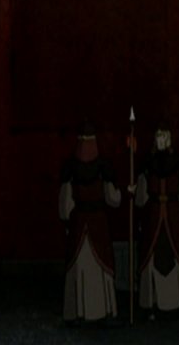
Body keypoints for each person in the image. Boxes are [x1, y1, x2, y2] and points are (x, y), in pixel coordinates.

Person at [129, 120, 179, 316]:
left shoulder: (178, 162)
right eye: (157, 136)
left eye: (163, 136)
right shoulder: (147, 163)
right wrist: (134, 193)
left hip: (172, 215)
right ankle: (150, 304)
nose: (160, 139)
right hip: (153, 215)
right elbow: (142, 198)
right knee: (151, 256)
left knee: (177, 253)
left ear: (168, 138)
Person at [58, 121, 122, 323]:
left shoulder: (98, 167)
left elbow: (65, 205)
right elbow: (113, 199)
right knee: (83, 265)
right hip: (87, 221)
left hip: (90, 221)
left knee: (94, 264)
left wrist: (66, 215)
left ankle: (88, 312)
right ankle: (88, 312)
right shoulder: (86, 168)